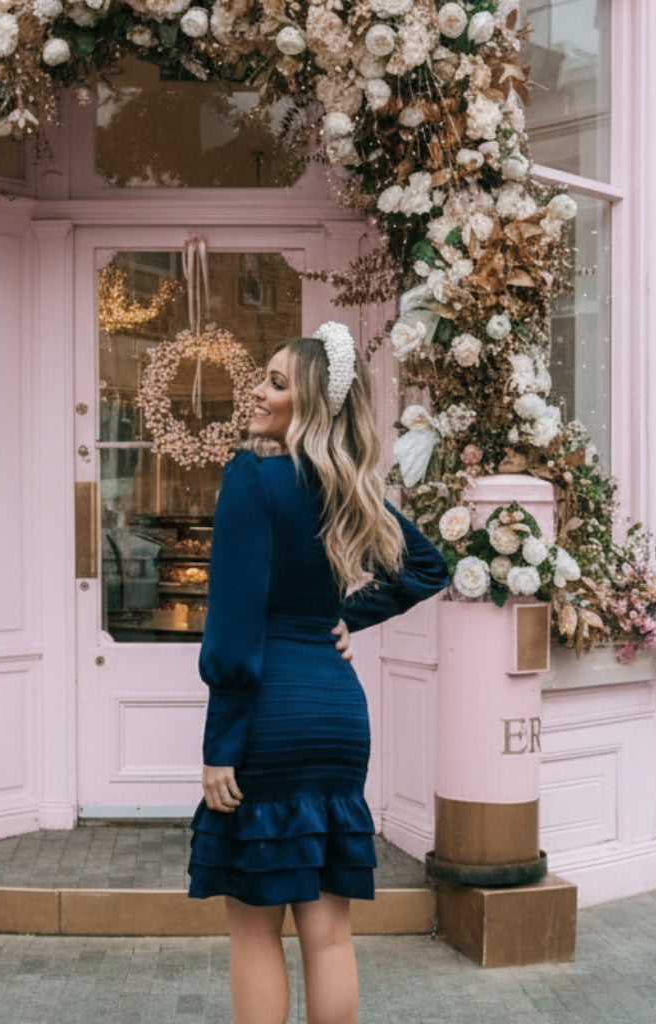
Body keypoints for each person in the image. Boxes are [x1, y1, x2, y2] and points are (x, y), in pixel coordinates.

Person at [187, 323, 451, 1024]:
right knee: (330, 937)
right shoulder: (348, 488)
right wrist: (350, 619)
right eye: (263, 376)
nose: (257, 389)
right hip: (337, 714)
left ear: (308, 404)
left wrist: (220, 748)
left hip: (270, 718)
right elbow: (428, 567)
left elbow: (234, 627)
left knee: (253, 933)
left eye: (276, 382)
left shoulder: (253, 478)